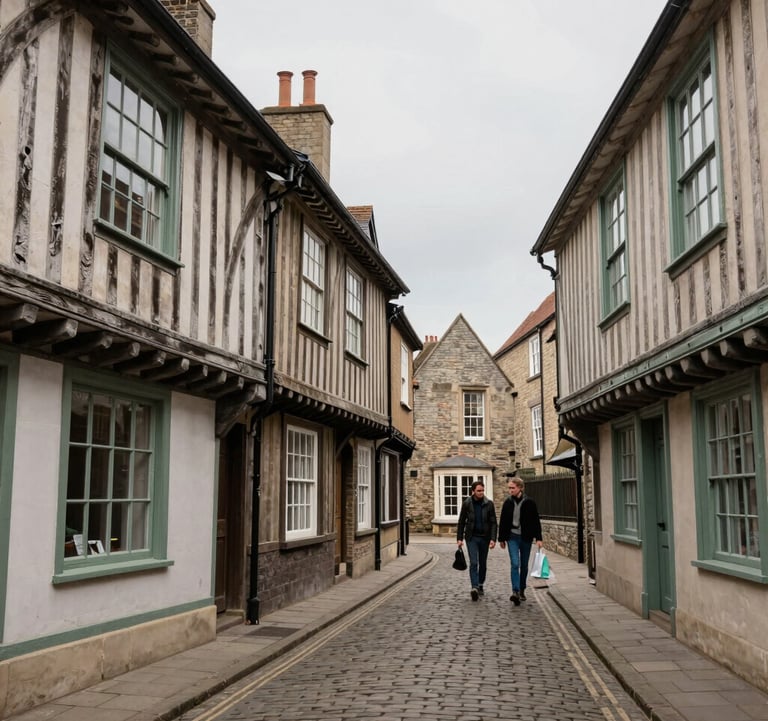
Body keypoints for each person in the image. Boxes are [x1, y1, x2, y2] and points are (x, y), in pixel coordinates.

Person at [498, 477, 542, 606]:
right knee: (515, 564)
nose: (510, 490)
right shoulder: (507, 503)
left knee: (524, 565)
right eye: (509, 488)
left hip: (526, 537)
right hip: (512, 537)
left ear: (520, 488)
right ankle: (515, 591)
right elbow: (503, 520)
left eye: (513, 488)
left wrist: (539, 538)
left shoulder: (530, 502)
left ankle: (522, 588)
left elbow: (536, 521)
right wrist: (501, 538)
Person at [456, 480, 497, 601]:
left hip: (485, 537)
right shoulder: (467, 503)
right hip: (471, 537)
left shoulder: (489, 504)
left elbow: (494, 523)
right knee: (474, 562)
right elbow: (461, 521)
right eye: (479, 491)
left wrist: (493, 539)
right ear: (473, 491)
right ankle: (474, 587)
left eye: (482, 490)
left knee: (483, 563)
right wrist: (459, 538)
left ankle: (480, 584)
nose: (481, 493)